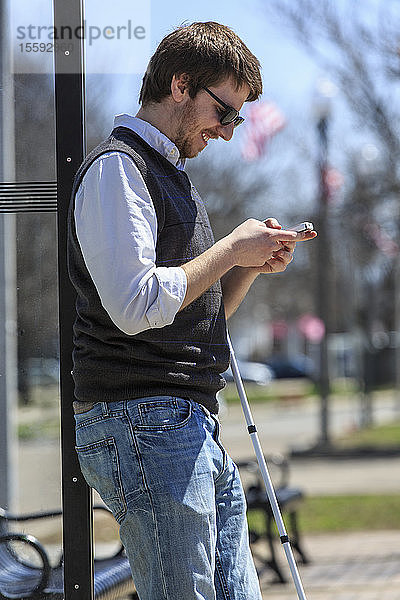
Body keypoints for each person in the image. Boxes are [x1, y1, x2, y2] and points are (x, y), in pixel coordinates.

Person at [68, 21, 316, 600]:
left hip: (186, 424)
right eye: (224, 112)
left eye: (238, 120)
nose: (229, 133)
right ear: (179, 85)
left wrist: (248, 266)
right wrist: (230, 248)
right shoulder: (116, 169)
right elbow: (135, 307)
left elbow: (198, 321)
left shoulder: (171, 177)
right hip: (140, 421)